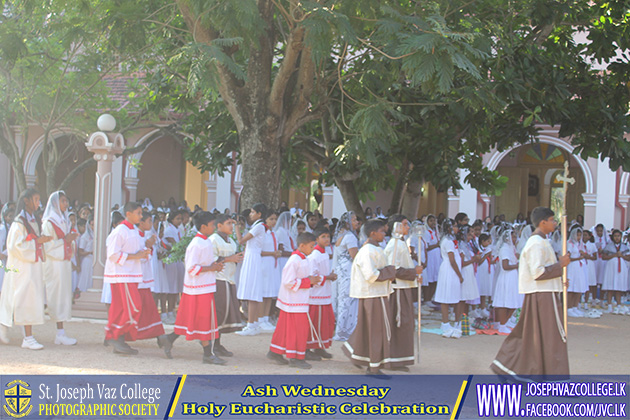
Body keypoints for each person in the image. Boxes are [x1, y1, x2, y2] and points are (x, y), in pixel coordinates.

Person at [491, 206, 570, 377]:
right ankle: (556, 380)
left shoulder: (542, 241)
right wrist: (560, 266)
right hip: (543, 295)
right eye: (552, 220)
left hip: (544, 293)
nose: (555, 223)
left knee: (534, 336)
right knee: (552, 336)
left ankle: (513, 367)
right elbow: (538, 272)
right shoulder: (536, 243)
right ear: (543, 222)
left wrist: (559, 277)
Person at [164, 211, 226, 364]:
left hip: (204, 286)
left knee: (193, 319)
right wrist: (211, 268)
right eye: (212, 225)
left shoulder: (205, 241)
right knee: (203, 320)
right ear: (203, 227)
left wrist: (213, 266)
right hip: (197, 288)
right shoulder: (196, 244)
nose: (214, 227)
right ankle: (207, 354)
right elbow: (191, 268)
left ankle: (169, 339)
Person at [342, 219, 398, 376]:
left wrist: (390, 270)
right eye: (382, 231)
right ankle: (373, 366)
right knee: (375, 330)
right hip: (372, 295)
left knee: (372, 329)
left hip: (378, 294)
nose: (384, 233)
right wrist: (390, 272)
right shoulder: (367, 252)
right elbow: (371, 275)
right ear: (373, 233)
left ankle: (359, 355)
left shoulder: (376, 248)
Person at [0, 189, 53, 349]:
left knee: (26, 299)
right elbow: (15, 247)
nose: (38, 203)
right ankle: (28, 337)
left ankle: (14, 330)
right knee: (23, 299)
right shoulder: (19, 223)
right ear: (26, 201)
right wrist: (38, 242)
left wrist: (41, 241)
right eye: (35, 199)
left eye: (38, 200)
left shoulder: (33, 220)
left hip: (32, 267)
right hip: (22, 268)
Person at [267, 232, 321, 369]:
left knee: (285, 328)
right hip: (293, 301)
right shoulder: (294, 260)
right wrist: (308, 281)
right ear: (302, 246)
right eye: (311, 245)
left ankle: (275, 351)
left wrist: (311, 280)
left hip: (297, 299)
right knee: (298, 330)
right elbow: (288, 282)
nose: (313, 248)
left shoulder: (303, 258)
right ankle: (296, 357)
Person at [383, 217, 423, 371]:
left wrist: (415, 274)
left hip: (404, 288)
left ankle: (400, 358)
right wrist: (413, 272)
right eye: (405, 224)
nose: (408, 227)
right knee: (399, 323)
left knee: (405, 324)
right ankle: (393, 359)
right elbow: (394, 269)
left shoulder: (401, 243)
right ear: (397, 226)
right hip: (397, 290)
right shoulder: (394, 245)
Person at [41, 191, 80, 346]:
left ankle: (61, 332)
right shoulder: (49, 223)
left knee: (63, 296)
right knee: (56, 296)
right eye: (63, 201)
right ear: (56, 203)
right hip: (54, 265)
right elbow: (48, 247)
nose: (66, 204)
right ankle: (59, 333)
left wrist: (70, 241)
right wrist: (66, 240)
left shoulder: (64, 220)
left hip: (63, 264)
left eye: (66, 201)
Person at [210, 214, 245, 356]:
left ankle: (217, 343)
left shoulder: (231, 241)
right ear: (219, 225)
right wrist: (230, 258)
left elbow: (232, 258)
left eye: (232, 223)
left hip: (229, 279)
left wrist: (238, 257)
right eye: (228, 223)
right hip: (218, 279)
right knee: (218, 312)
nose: (232, 226)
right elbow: (211, 259)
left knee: (224, 313)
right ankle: (212, 344)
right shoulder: (213, 240)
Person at [236, 203, 269, 336]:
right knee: (251, 292)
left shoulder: (259, 226)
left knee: (252, 292)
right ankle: (253, 323)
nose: (250, 214)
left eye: (253, 212)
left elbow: (241, 240)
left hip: (253, 259)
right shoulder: (257, 226)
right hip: (251, 257)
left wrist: (236, 227)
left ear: (259, 214)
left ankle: (251, 324)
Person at [306, 228, 338, 360]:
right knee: (314, 322)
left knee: (325, 322)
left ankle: (319, 347)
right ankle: (307, 348)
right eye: (323, 236)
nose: (326, 239)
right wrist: (328, 277)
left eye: (328, 236)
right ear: (316, 239)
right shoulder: (314, 255)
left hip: (324, 294)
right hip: (316, 295)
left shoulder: (325, 253)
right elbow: (312, 275)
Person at [331, 211, 360, 341]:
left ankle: (342, 329)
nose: (357, 223)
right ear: (348, 223)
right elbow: (355, 256)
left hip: (341, 270)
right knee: (348, 300)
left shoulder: (340, 236)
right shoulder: (350, 237)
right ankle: (345, 331)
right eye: (354, 220)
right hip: (348, 271)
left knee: (342, 300)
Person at [434, 219, 464, 338]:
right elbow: (452, 260)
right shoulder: (448, 241)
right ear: (449, 228)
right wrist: (460, 275)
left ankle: (452, 322)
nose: (457, 228)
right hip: (449, 270)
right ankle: (445, 322)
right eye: (455, 226)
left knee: (452, 295)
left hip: (451, 270)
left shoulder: (451, 240)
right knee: (445, 296)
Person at [493, 227, 522, 334]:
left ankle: (505, 322)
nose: (515, 239)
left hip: (512, 276)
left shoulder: (511, 248)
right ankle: (502, 324)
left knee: (512, 302)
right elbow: (505, 266)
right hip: (507, 277)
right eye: (513, 236)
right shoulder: (505, 249)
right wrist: (517, 265)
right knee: (504, 302)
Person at [260, 211, 282, 332]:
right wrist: (272, 253)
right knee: (264, 293)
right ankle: (260, 319)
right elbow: (258, 250)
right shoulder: (262, 233)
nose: (274, 221)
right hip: (265, 263)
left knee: (270, 293)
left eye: (275, 219)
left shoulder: (274, 233)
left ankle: (266, 317)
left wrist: (277, 253)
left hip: (273, 264)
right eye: (271, 219)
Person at [161, 210, 184, 324]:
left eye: (180, 219)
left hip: (177, 260)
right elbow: (175, 245)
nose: (179, 221)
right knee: (170, 287)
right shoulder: (169, 230)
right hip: (171, 260)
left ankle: (172, 310)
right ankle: (167, 311)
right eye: (177, 219)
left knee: (176, 287)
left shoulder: (178, 229)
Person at [601, 229, 630, 314]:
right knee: (610, 286)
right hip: (611, 267)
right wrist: (614, 255)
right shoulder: (609, 246)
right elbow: (604, 257)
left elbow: (628, 257)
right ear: (612, 237)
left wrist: (621, 256)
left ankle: (618, 305)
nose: (617, 238)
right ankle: (609, 305)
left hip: (621, 267)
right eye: (615, 236)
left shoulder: (624, 247)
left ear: (621, 237)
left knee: (619, 287)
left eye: (618, 236)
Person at [476, 233, 495, 317]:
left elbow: (490, 261)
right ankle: (480, 308)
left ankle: (483, 308)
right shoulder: (479, 249)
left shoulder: (487, 249)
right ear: (482, 241)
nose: (489, 243)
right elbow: (479, 262)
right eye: (487, 241)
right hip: (481, 271)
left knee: (485, 289)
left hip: (486, 271)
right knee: (481, 289)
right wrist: (486, 255)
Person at [0, 203, 16, 292]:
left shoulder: (13, 228)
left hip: (8, 258)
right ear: (5, 217)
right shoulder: (2, 229)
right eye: (9, 216)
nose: (11, 218)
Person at [77, 217, 94, 293]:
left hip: (94, 261)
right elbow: (80, 252)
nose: (93, 227)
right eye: (92, 225)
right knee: (85, 279)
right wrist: (89, 252)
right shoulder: (85, 236)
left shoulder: (97, 235)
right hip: (87, 260)